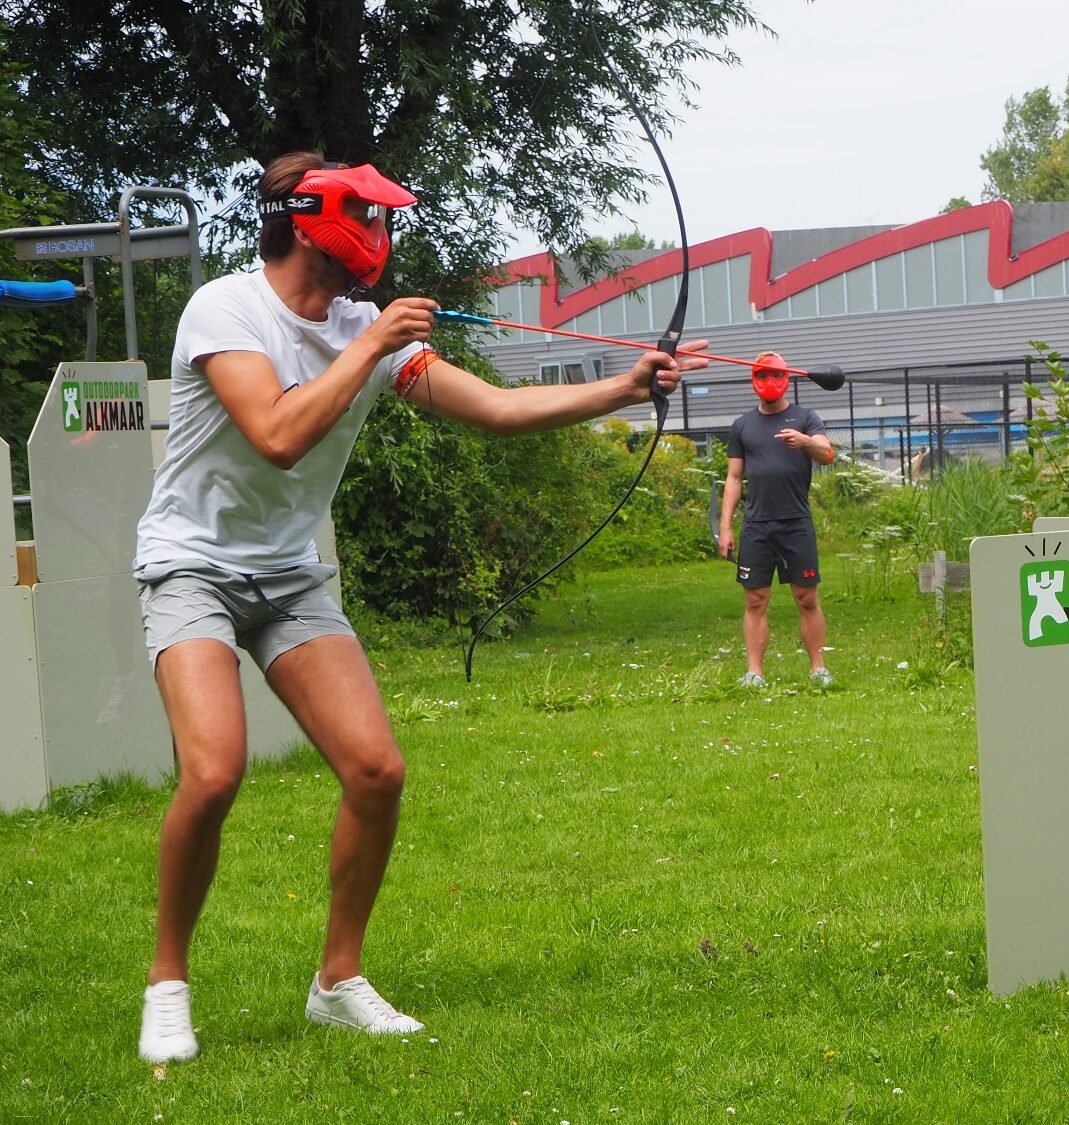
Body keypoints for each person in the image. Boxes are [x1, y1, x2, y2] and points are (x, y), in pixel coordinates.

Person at [134, 151, 707, 1063]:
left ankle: (337, 981)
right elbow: (278, 435)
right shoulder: (227, 309)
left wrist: (626, 388)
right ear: (310, 218)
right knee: (213, 772)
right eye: (367, 218)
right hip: (192, 565)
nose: (380, 239)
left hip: (288, 575)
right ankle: (167, 981)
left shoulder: (368, 325)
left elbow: (495, 409)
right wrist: (368, 345)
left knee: (375, 770)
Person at [717, 351, 836, 688]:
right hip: (757, 525)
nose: (770, 383)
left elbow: (827, 454)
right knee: (755, 599)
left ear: (786, 379)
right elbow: (734, 479)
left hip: (796, 522)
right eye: (762, 375)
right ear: (754, 379)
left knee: (807, 597)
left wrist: (804, 442)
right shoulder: (742, 426)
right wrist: (726, 527)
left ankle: (818, 670)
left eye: (775, 376)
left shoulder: (806, 418)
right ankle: (754, 673)